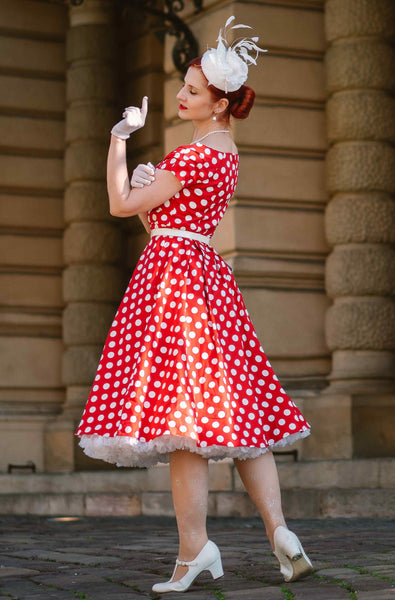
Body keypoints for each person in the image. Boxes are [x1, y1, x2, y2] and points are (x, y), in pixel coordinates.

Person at [75, 16, 313, 594]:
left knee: (186, 423)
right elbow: (172, 214)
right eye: (184, 87)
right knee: (241, 417)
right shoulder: (225, 154)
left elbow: (119, 203)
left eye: (191, 91)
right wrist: (160, 197)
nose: (180, 96)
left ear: (219, 104)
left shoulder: (189, 159)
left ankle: (193, 550)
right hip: (210, 279)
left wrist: (118, 138)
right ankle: (280, 531)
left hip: (173, 283)